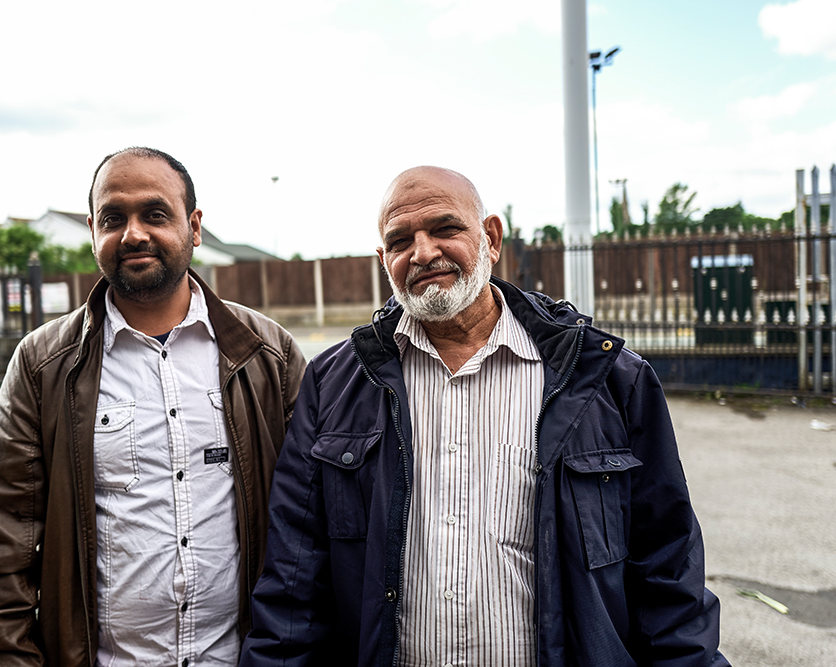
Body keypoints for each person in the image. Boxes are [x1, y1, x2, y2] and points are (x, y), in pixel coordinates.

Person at [240, 166, 728, 666]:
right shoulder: (334, 384)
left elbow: (668, 563)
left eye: (446, 229)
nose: (424, 252)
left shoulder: (605, 378)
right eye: (401, 240)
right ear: (384, 259)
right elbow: (294, 578)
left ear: (490, 238)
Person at [0, 147, 306, 667]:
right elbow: (3, 544)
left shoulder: (268, 353)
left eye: (155, 214)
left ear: (194, 226)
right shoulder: (43, 365)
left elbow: (310, 526)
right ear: (92, 231)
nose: (134, 234)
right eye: (113, 218)